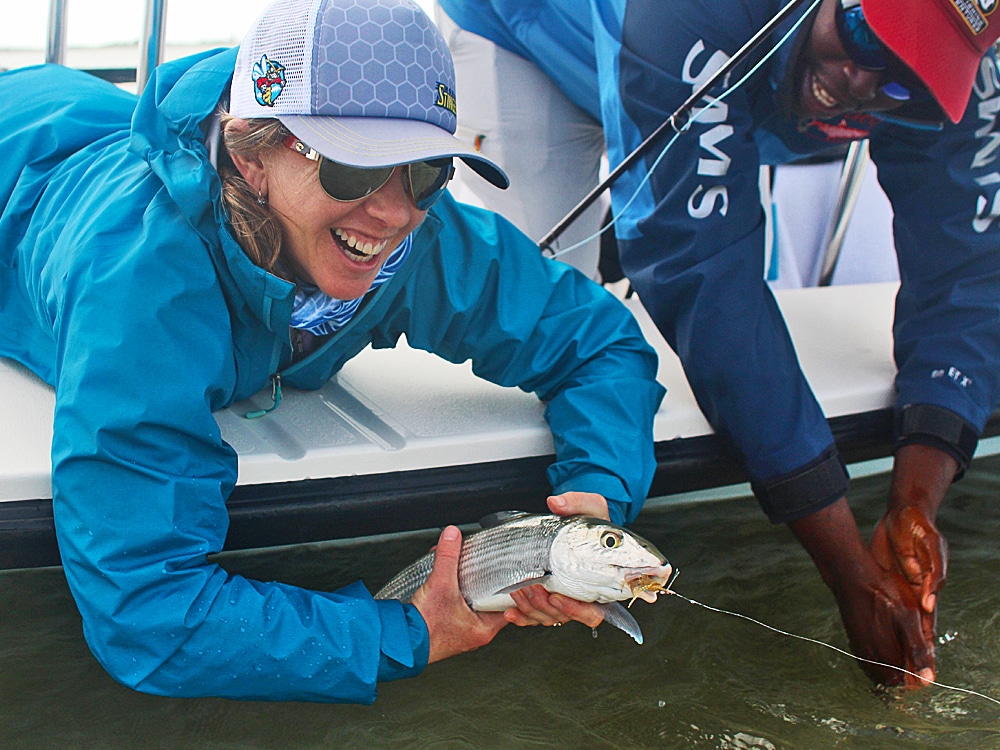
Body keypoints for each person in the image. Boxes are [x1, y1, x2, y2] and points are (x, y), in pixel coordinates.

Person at [0, 0, 665, 702]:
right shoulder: (140, 291)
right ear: (250, 156)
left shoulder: (415, 236)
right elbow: (147, 617)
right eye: (353, 169)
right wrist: (402, 632)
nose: (391, 211)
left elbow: (599, 339)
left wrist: (599, 498)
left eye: (425, 170)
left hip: (77, 113)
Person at [434, 0, 1000, 686]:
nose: (862, 74)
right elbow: (706, 277)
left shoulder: (952, 69)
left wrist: (917, 498)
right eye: (865, 34)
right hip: (537, 45)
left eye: (904, 75)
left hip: (745, 72)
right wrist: (848, 573)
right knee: (541, 331)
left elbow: (967, 271)